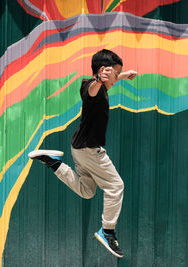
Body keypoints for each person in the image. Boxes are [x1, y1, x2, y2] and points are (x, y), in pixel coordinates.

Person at [28, 49, 137, 258]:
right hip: (89, 150)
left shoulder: (103, 86)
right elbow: (93, 88)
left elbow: (104, 82)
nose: (115, 78)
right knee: (116, 186)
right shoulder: (91, 86)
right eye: (114, 74)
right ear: (103, 72)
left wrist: (122, 75)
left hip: (79, 149)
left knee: (87, 191)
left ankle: (54, 163)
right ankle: (107, 232)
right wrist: (99, 78)